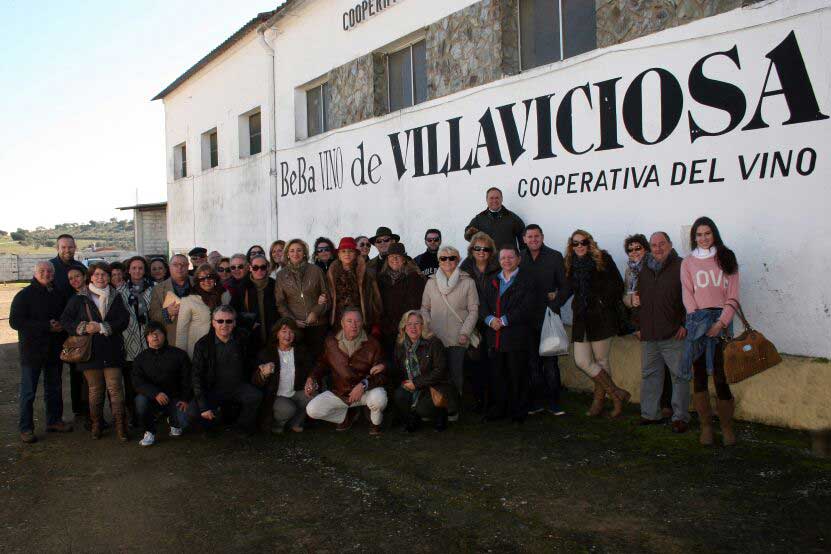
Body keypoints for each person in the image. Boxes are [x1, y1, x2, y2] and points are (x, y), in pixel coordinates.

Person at [681, 217, 740, 447]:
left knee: (720, 375)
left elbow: (733, 295)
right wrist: (698, 322)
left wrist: (721, 323)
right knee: (699, 376)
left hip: (721, 323)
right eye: (699, 234)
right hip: (698, 322)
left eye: (707, 233)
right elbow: (687, 293)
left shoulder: (726, 257)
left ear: (714, 234)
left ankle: (726, 427)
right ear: (693, 237)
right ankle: (706, 426)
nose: (703, 238)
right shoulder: (688, 263)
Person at [561, 230, 631, 418]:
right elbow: (566, 289)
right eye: (575, 243)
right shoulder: (570, 263)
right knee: (582, 360)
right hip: (581, 319)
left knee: (601, 361)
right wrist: (551, 304)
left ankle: (598, 402)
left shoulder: (603, 259)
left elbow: (617, 285)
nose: (579, 246)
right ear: (571, 245)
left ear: (589, 243)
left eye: (583, 242)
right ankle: (617, 393)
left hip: (601, 317)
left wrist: (601, 302)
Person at [60, 261, 130, 440]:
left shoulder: (116, 296)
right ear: (90, 277)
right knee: (95, 390)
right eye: (97, 274)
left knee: (115, 389)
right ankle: (96, 424)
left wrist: (101, 327)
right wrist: (83, 327)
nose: (101, 277)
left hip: (112, 350)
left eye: (105, 274)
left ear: (109, 277)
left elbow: (124, 320)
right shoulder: (79, 298)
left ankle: (121, 427)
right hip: (90, 353)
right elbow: (66, 321)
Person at [10, 262, 73, 443]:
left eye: (49, 271)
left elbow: (65, 316)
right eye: (43, 271)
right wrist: (46, 326)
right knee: (28, 392)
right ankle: (26, 428)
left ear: (53, 274)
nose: (46, 274)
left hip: (53, 351)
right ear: (35, 273)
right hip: (32, 352)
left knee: (54, 388)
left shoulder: (57, 294)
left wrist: (61, 325)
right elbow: (15, 322)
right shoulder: (24, 295)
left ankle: (54, 421)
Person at [633, 232, 689, 432]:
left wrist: (685, 324)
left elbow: (691, 298)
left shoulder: (682, 266)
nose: (658, 248)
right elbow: (638, 300)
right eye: (654, 245)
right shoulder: (645, 269)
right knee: (650, 375)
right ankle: (650, 414)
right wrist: (638, 325)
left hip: (674, 332)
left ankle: (680, 417)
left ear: (670, 244)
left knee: (679, 376)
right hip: (649, 333)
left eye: (662, 244)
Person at [305, 308, 387, 435]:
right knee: (312, 410)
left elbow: (381, 374)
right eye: (349, 321)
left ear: (362, 323)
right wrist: (312, 377)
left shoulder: (373, 344)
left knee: (379, 398)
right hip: (340, 393)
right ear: (342, 323)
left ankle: (375, 423)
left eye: (357, 321)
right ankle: (345, 416)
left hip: (365, 392)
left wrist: (364, 384)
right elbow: (322, 364)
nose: (354, 325)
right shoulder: (331, 342)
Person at [421, 245, 478, 419]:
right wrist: (428, 328)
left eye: (451, 257)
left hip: (457, 337)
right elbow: (424, 307)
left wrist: (465, 332)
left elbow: (473, 310)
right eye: (443, 258)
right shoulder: (431, 283)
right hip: (435, 338)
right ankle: (433, 407)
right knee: (434, 375)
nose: (447, 261)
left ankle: (453, 409)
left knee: (455, 375)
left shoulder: (468, 282)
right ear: (438, 261)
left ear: (458, 259)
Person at [189, 305, 263, 436]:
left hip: (238, 386)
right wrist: (203, 406)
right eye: (220, 321)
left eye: (229, 321)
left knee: (255, 396)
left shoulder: (243, 338)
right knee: (194, 410)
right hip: (213, 388)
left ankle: (242, 427)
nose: (224, 324)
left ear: (234, 323)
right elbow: (196, 376)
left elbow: (253, 360)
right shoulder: (202, 345)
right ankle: (211, 426)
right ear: (213, 323)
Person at [479, 246, 534, 423]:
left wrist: (503, 321)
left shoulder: (527, 281)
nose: (507, 261)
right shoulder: (492, 280)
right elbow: (483, 304)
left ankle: (518, 410)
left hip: (516, 337)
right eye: (503, 258)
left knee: (517, 374)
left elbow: (527, 307)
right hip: (494, 337)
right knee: (497, 375)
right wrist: (489, 319)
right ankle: (499, 409)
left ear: (518, 259)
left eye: (511, 257)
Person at [520, 224, 567, 416]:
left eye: (536, 236)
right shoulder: (519, 258)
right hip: (525, 319)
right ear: (524, 239)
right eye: (529, 237)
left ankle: (554, 402)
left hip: (548, 318)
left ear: (542, 237)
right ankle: (537, 402)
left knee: (550, 362)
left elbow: (565, 286)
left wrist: (555, 304)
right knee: (532, 363)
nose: (533, 239)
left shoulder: (555, 256)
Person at [392, 311, 455, 432]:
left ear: (423, 326)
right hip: (412, 383)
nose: (413, 327)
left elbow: (440, 371)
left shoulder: (434, 343)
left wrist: (416, 383)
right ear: (404, 327)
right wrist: (383, 365)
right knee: (399, 395)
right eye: (409, 324)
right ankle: (411, 420)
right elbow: (396, 367)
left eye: (417, 323)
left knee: (423, 408)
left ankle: (441, 415)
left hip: (434, 385)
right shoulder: (400, 345)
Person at [132, 322, 192, 447]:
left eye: (157, 333)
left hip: (175, 397)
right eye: (150, 334)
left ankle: (174, 422)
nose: (154, 337)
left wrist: (185, 399)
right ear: (146, 338)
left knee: (185, 421)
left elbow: (187, 379)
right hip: (152, 398)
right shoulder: (140, 359)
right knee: (140, 401)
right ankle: (149, 431)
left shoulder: (179, 355)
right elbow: (138, 382)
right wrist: (155, 394)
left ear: (164, 335)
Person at [460, 231, 500, 412]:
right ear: (471, 249)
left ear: (491, 251)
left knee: (493, 360)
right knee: (475, 359)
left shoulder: (498, 266)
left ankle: (493, 399)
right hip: (473, 321)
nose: (481, 251)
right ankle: (478, 398)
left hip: (493, 320)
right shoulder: (466, 266)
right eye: (477, 248)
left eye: (485, 248)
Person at [252, 318, 313, 434]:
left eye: (291, 332)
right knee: (287, 409)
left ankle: (295, 422)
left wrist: (310, 380)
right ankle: (277, 424)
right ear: (277, 334)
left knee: (313, 396)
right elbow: (255, 381)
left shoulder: (301, 351)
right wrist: (263, 374)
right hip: (277, 396)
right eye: (284, 331)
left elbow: (311, 370)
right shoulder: (266, 353)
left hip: (296, 392)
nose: (288, 335)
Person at [274, 239, 330, 362]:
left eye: (299, 250)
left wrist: (315, 312)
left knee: (319, 359)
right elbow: (280, 302)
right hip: (295, 327)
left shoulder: (316, 270)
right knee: (300, 361)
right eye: (292, 251)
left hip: (318, 324)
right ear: (287, 254)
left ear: (304, 253)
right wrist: (292, 321)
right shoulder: (281, 275)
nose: (295, 253)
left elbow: (326, 295)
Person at [119, 256, 155, 427]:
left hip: (148, 341)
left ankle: (150, 414)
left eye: (140, 268)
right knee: (130, 383)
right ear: (129, 270)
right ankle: (132, 415)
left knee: (149, 380)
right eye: (134, 268)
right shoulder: (121, 289)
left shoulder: (153, 288)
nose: (137, 271)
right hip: (129, 340)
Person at [377, 243, 426, 356]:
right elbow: (378, 303)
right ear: (387, 259)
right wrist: (384, 324)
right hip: (386, 329)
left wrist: (403, 325)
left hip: (407, 329)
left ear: (404, 259)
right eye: (391, 256)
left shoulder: (414, 278)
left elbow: (415, 305)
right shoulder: (381, 279)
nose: (394, 259)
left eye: (398, 256)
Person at [327, 237, 382, 333]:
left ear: (356, 254)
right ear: (339, 255)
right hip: (338, 322)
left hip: (361, 322)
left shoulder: (367, 273)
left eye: (350, 251)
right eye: (343, 251)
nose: (347, 254)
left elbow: (376, 300)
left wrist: (376, 322)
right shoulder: (331, 274)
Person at [176, 264, 224, 358]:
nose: (206, 281)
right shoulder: (189, 299)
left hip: (221, 349)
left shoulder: (225, 295)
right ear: (197, 281)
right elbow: (182, 330)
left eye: (210, 277)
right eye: (202, 278)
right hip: (198, 350)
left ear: (215, 279)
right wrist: (180, 356)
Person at [231, 254, 278, 349]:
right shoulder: (242, 287)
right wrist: (248, 323)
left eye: (263, 267)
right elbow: (232, 311)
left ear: (268, 267)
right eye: (255, 267)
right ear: (250, 268)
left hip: (274, 334)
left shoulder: (275, 285)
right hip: (251, 337)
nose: (259, 270)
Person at [149, 254, 192, 348]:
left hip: (196, 337)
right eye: (175, 264)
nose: (179, 267)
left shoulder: (197, 284)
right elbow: (153, 316)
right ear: (169, 267)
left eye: (183, 264)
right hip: (172, 340)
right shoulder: (158, 289)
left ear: (188, 266)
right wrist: (167, 312)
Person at [66, 266, 89, 422]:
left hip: (100, 342)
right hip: (83, 345)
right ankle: (88, 416)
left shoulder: (95, 293)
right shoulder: (73, 299)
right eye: (71, 278)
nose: (74, 280)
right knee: (85, 382)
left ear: (85, 276)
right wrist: (80, 329)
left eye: (77, 276)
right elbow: (65, 320)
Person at [49, 234, 87, 300]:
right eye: (63, 247)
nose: (67, 250)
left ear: (75, 248)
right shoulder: (49, 267)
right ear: (57, 248)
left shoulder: (81, 267)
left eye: (70, 247)